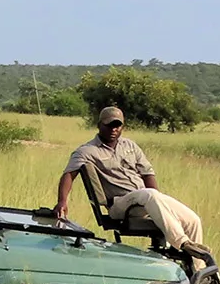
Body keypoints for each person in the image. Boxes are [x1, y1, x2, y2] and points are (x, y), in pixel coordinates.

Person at [50, 105, 208, 256]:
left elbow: (147, 173)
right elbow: (69, 174)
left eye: (117, 125)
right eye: (109, 125)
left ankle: (199, 272)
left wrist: (158, 202)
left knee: (193, 220)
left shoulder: (130, 146)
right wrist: (62, 201)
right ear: (99, 125)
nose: (113, 129)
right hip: (119, 204)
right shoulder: (87, 151)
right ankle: (182, 243)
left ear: (122, 127)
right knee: (149, 194)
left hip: (144, 200)